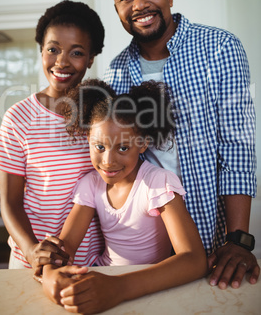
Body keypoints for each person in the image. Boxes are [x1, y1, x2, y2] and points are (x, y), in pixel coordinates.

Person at [103, 0, 259, 289]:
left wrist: (238, 239)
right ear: (117, 9)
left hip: (212, 239)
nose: (140, 4)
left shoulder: (219, 48)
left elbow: (237, 146)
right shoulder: (115, 72)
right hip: (145, 249)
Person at [41, 78, 207, 314]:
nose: (108, 161)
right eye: (99, 147)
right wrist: (50, 274)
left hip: (148, 285)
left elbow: (194, 260)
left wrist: (118, 287)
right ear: (88, 139)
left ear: (142, 144)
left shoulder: (157, 183)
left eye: (123, 148)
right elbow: (65, 246)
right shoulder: (90, 184)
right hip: (103, 276)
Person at [0, 0, 105, 276]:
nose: (62, 62)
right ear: (41, 51)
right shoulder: (17, 117)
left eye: (76, 52)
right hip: (29, 260)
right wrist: (31, 250)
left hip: (90, 261)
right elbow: (9, 202)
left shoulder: (101, 114)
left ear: (91, 58)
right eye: (53, 49)